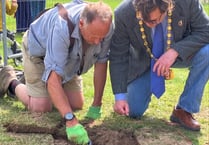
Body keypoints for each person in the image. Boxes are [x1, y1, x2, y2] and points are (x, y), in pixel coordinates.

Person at [0, 0, 113, 144]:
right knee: (41, 106)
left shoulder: (105, 26)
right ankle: (10, 80)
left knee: (76, 104)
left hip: (69, 59)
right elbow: (53, 80)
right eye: (93, 36)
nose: (98, 42)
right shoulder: (62, 27)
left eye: (101, 37)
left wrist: (96, 105)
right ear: (81, 24)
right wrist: (70, 120)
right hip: (38, 53)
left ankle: (32, 83)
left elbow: (101, 63)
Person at [109, 0, 209, 132]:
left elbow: (206, 31)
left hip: (180, 54)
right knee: (133, 110)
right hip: (145, 60)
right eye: (143, 20)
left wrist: (175, 51)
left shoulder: (187, 2)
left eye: (154, 20)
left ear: (168, 6)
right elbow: (118, 55)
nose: (149, 25)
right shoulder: (123, 13)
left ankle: (184, 109)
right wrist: (120, 96)